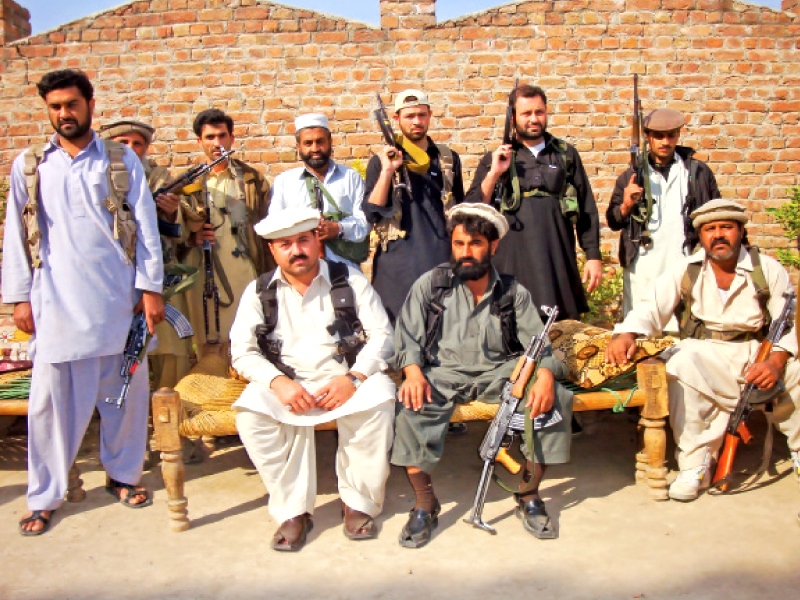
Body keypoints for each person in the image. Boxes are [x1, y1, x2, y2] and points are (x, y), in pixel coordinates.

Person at [2, 70, 164, 535]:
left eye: (71, 104)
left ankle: (123, 475)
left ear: (90, 104)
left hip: (121, 301)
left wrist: (151, 289)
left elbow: (146, 225)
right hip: (54, 301)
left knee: (126, 397)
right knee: (49, 407)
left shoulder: (119, 160)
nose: (63, 114)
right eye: (54, 107)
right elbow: (15, 235)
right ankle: (46, 495)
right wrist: (17, 298)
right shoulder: (30, 165)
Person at [391, 203, 572, 547]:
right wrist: (412, 373)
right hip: (440, 373)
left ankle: (528, 493)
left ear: (493, 246)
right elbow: (406, 338)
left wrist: (546, 376)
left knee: (555, 400)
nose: (466, 252)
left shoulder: (512, 293)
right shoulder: (431, 286)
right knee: (411, 407)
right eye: (459, 244)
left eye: (475, 244)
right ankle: (424, 505)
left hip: (498, 372)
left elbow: (540, 344)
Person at [606, 200, 800, 502]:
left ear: (740, 231)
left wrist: (775, 362)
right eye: (711, 229)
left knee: (796, 370)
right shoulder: (686, 269)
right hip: (708, 352)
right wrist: (626, 333)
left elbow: (786, 324)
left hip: (757, 352)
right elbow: (650, 308)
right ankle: (695, 465)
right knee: (681, 362)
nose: (719, 235)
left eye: (726, 228)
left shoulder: (767, 269)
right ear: (701, 236)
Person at [229, 207, 395, 552]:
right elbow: (242, 352)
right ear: (273, 250)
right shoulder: (259, 291)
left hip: (346, 379)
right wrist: (278, 383)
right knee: (251, 412)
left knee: (379, 398)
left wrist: (354, 377)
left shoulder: (349, 279)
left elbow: (383, 336)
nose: (297, 250)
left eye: (303, 240)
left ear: (317, 241)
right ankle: (293, 510)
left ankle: (358, 502)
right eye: (285, 244)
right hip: (288, 383)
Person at [466, 84, 602, 321]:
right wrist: (494, 173)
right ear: (512, 117)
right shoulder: (496, 157)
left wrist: (593, 255)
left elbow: (586, 207)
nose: (534, 119)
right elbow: (473, 211)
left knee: (562, 329)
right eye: (526, 113)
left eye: (539, 112)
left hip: (557, 260)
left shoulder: (565, 154)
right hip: (511, 263)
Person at [99, 119, 192, 389]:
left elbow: (185, 232)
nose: (131, 149)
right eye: (123, 143)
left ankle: (170, 408)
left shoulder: (160, 177)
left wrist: (172, 210)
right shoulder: (97, 178)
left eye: (137, 144)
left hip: (162, 275)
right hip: (113, 276)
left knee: (170, 346)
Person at [606, 108, 721, 323]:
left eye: (671, 135)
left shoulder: (697, 173)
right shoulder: (631, 175)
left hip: (684, 258)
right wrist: (626, 204)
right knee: (641, 326)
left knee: (684, 326)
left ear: (678, 135)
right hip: (643, 265)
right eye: (658, 136)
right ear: (648, 137)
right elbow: (613, 220)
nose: (665, 142)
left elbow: (716, 215)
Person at [364, 89, 465, 324]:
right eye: (409, 116)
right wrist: (389, 170)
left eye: (421, 115)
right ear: (397, 119)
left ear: (430, 115)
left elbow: (459, 211)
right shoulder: (381, 161)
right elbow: (371, 212)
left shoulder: (447, 159)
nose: (416, 121)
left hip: (440, 259)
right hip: (396, 267)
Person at [181, 108, 273, 357]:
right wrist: (193, 238)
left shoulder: (253, 180)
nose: (217, 143)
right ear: (199, 141)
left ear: (232, 138)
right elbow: (176, 234)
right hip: (206, 275)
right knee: (209, 341)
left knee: (249, 338)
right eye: (210, 137)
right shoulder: (189, 184)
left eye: (222, 136)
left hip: (246, 271)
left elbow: (268, 229)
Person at [269, 113, 369, 269]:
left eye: (320, 142)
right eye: (308, 143)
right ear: (298, 146)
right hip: (301, 272)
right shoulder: (284, 182)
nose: (315, 148)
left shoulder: (351, 178)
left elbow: (365, 223)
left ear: (330, 142)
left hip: (345, 270)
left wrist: (338, 228)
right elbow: (274, 227)